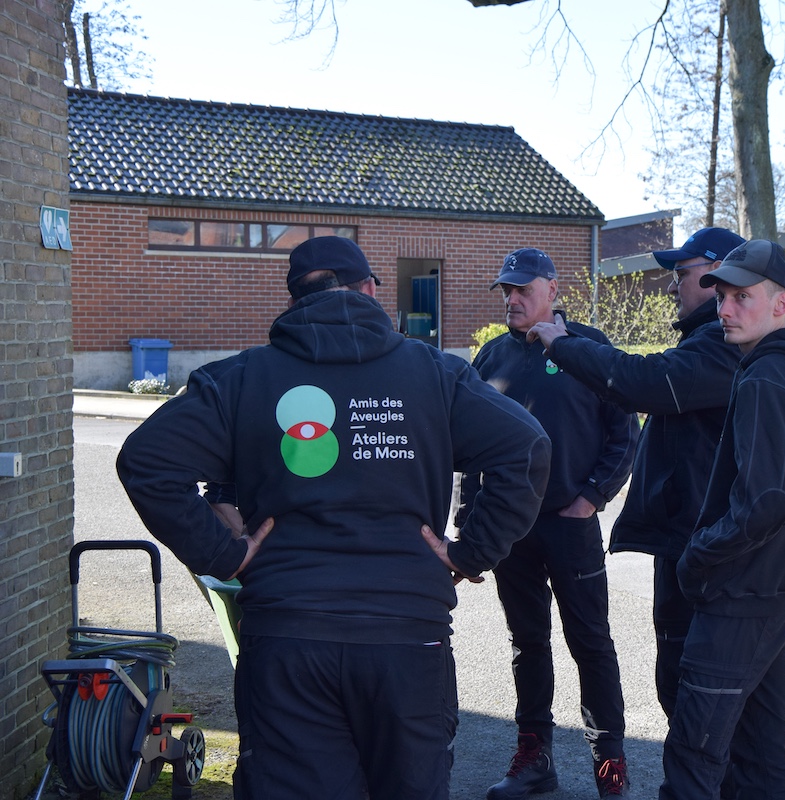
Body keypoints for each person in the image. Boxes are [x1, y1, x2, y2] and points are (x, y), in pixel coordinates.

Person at [116, 236, 551, 800]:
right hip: (407, 642)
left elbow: (146, 461)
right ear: (371, 289)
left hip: (286, 641)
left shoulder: (244, 379)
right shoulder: (434, 375)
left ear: (295, 300)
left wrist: (223, 553)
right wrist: (473, 551)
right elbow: (527, 448)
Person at [525, 226, 745, 718]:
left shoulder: (722, 345)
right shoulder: (709, 341)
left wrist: (563, 346)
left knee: (695, 696)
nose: (672, 285)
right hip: (687, 540)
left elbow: (642, 384)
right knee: (685, 688)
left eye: (681, 273)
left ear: (717, 274)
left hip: (702, 545)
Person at [656, 239, 785, 799]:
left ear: (782, 302)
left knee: (693, 756)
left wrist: (698, 555)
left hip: (739, 599)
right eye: (721, 297)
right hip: (778, 592)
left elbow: (767, 503)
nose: (725, 310)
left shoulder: (764, 377)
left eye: (742, 297)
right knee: (761, 754)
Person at [458, 247, 639, 799]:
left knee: (591, 642)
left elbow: (624, 432)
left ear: (553, 290)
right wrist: (472, 527)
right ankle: (534, 759)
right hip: (511, 531)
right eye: (506, 291)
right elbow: (468, 450)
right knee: (527, 642)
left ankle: (609, 764)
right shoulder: (489, 359)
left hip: (571, 525)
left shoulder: (588, 350)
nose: (512, 299)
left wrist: (591, 498)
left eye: (523, 290)